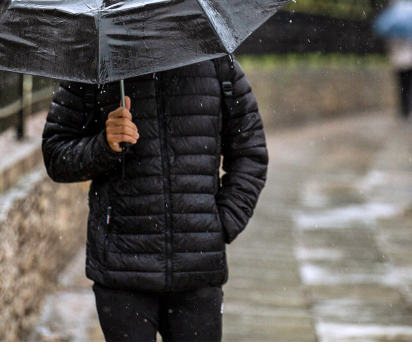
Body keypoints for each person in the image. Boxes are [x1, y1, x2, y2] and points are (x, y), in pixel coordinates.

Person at [41, 56, 268, 342]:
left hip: (197, 271)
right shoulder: (96, 64)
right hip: (122, 269)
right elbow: (56, 155)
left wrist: (221, 223)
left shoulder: (216, 61)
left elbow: (250, 153)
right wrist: (104, 145)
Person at [387, 37, 412, 118]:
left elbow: (391, 49)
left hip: (400, 63)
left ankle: (405, 108)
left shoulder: (394, 36)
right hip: (410, 62)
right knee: (410, 87)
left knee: (403, 87)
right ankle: (409, 107)